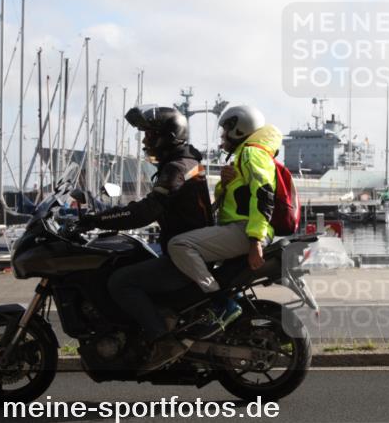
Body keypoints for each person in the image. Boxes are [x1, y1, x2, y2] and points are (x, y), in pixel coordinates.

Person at [76, 105, 212, 371]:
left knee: (121, 282)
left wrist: (97, 220)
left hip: (186, 257)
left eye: (150, 135)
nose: (145, 141)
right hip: (184, 250)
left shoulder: (177, 168)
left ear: (168, 136)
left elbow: (146, 211)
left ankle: (162, 341)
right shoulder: (182, 163)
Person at [167, 105, 280, 328]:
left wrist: (255, 240)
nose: (221, 138)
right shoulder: (243, 155)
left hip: (246, 230)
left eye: (225, 131)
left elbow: (263, 193)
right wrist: (225, 184)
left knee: (179, 245)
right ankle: (228, 302)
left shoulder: (251, 153)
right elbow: (238, 198)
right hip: (241, 228)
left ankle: (219, 303)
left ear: (238, 129)